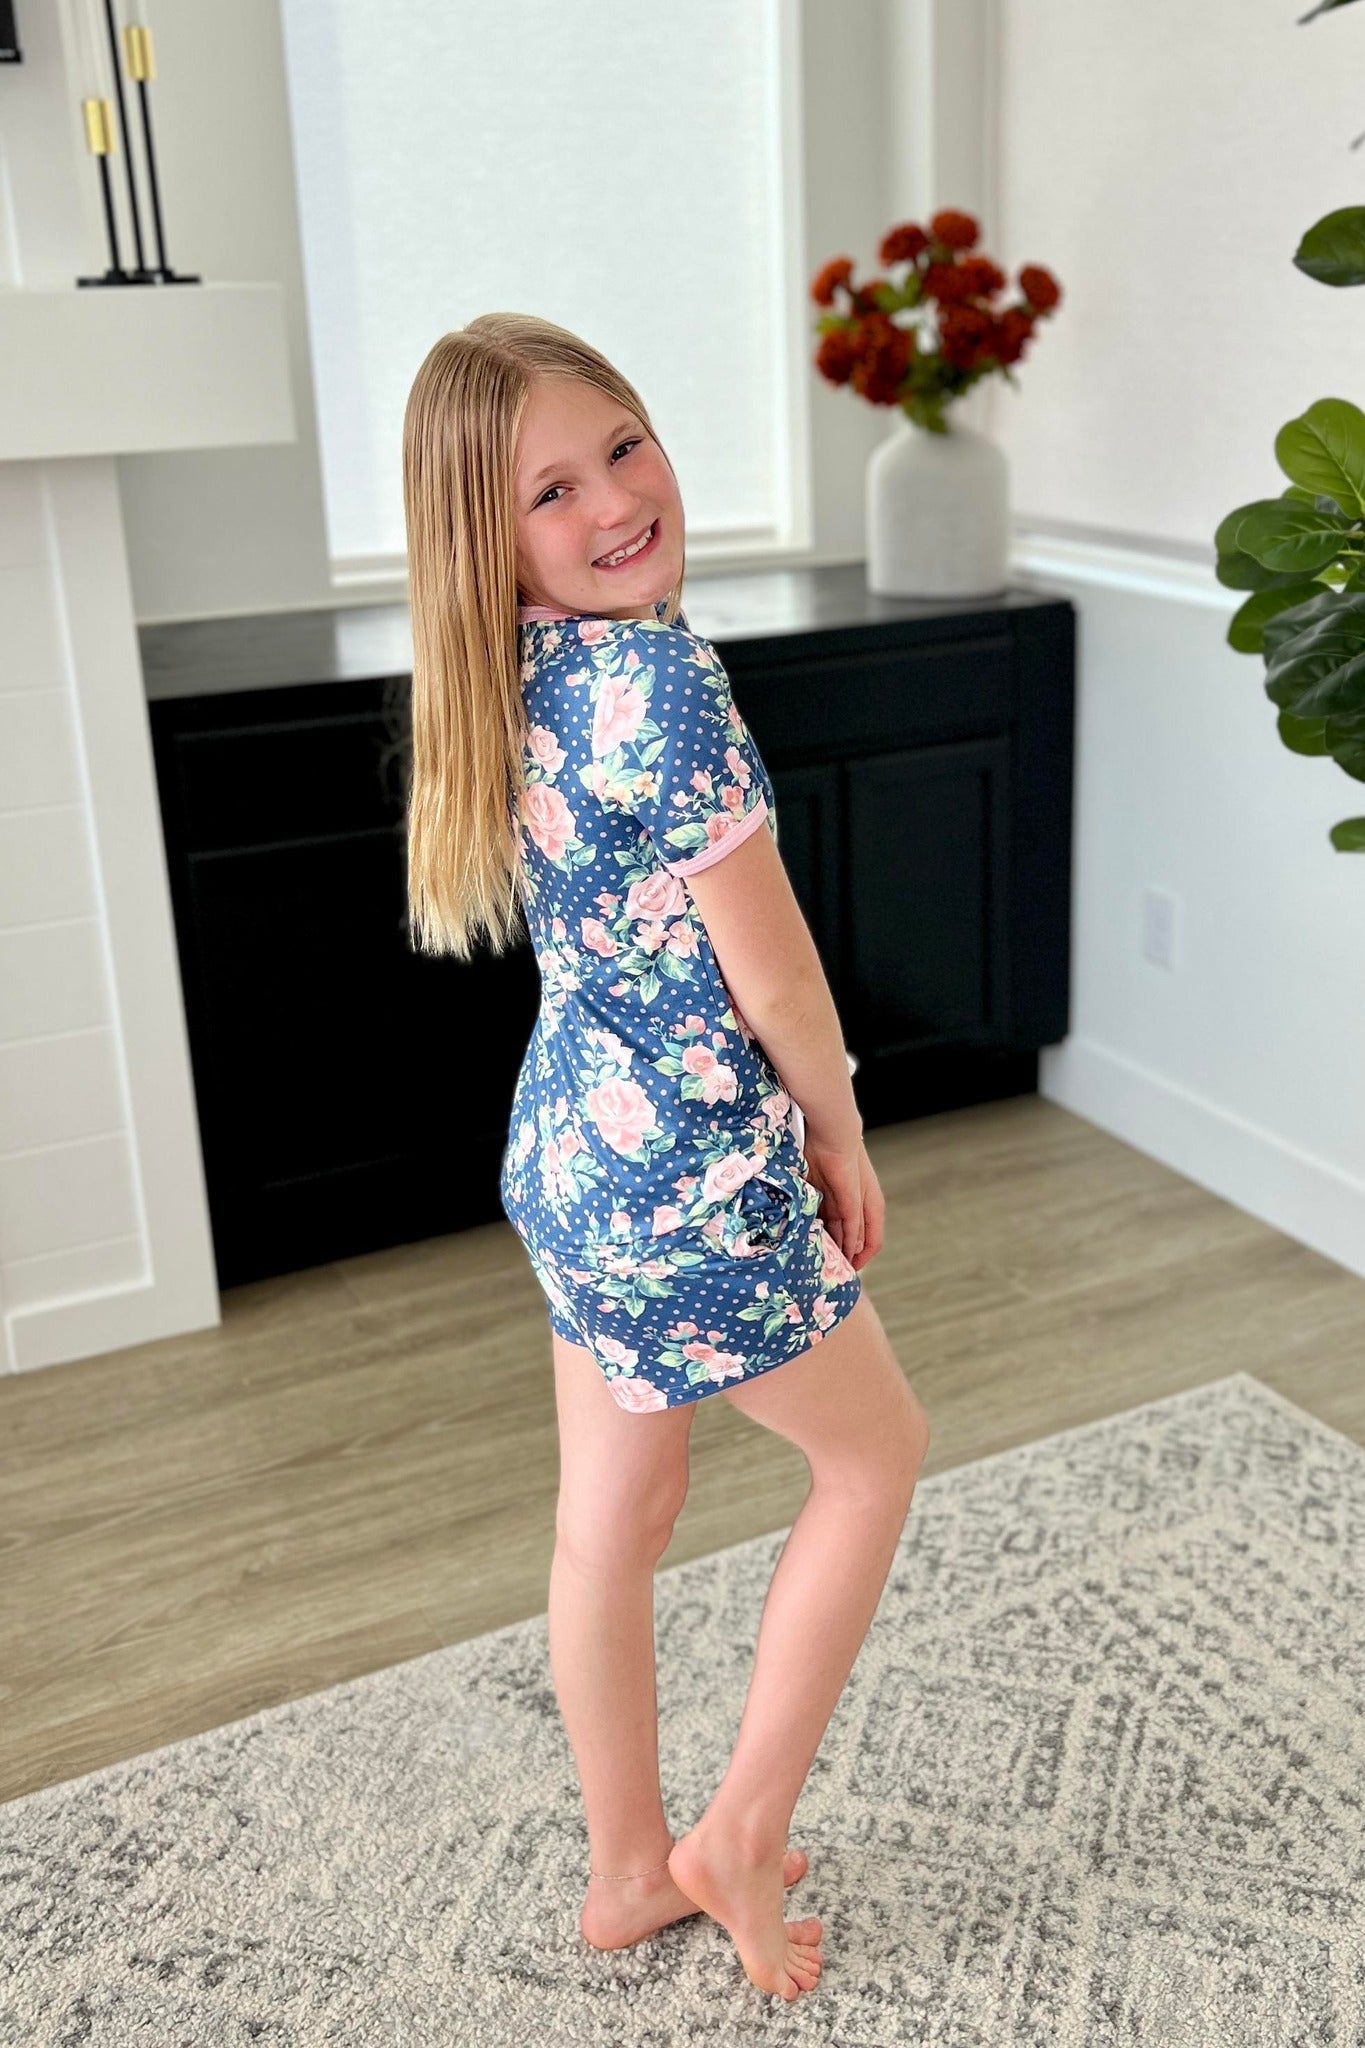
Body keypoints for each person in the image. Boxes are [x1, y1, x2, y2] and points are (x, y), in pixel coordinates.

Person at [401, 311, 930, 2003]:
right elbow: (777, 981)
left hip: (572, 1163)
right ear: (490, 541)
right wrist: (837, 1128)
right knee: (874, 1459)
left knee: (609, 1525)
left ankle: (627, 1870)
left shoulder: (512, 674)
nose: (617, 501)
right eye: (552, 491)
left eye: (621, 446)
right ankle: (734, 1836)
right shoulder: (662, 682)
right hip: (691, 1184)